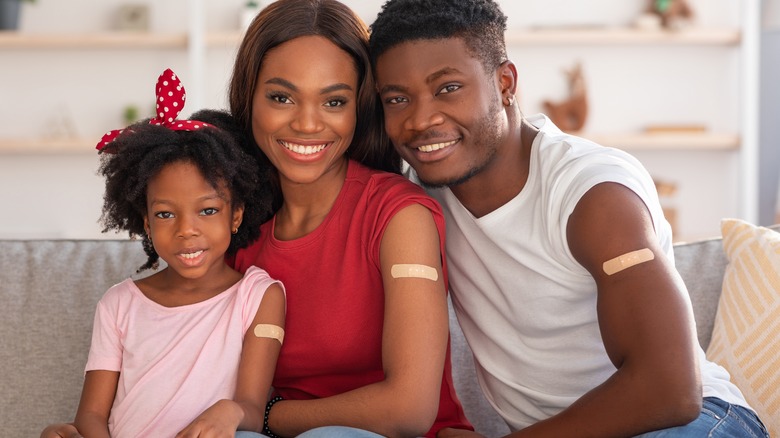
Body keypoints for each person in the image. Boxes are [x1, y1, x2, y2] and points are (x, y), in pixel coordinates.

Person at [42, 1, 472, 438]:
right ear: (249, 99)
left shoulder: (399, 215)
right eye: (281, 97)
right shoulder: (234, 230)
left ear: (359, 108)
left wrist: (259, 416)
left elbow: (409, 409)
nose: (306, 123)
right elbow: (173, 366)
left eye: (334, 100)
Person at [369, 1, 769, 437]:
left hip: (695, 422)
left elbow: (670, 389)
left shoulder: (593, 191)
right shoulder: (417, 200)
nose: (421, 119)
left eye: (447, 88)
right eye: (397, 99)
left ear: (505, 83)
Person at [62, 69, 286, 438]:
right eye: (165, 214)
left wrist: (228, 411)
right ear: (146, 223)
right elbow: (90, 416)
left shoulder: (259, 297)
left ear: (237, 215)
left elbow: (251, 406)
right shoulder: (118, 305)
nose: (186, 230)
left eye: (208, 210)